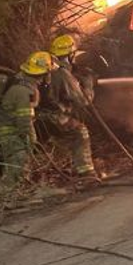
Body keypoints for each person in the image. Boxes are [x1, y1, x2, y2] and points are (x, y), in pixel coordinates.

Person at [0, 52, 56, 189]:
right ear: (43, 74)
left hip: (11, 126)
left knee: (22, 159)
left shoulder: (25, 84)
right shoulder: (22, 91)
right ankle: (5, 194)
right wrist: (28, 137)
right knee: (18, 159)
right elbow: (23, 121)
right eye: (49, 73)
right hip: (9, 129)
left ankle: (20, 189)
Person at [43, 34, 97, 181]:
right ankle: (86, 173)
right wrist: (87, 84)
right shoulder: (63, 73)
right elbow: (83, 101)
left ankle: (69, 167)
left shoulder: (50, 68)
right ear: (70, 55)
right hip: (54, 115)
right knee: (80, 132)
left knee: (65, 136)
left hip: (40, 115)